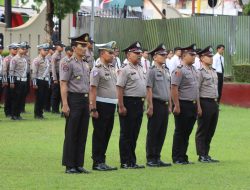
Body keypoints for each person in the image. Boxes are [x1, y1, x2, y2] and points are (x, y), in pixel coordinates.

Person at [60, 33, 90, 174]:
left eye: (85, 45)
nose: (85, 48)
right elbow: (64, 84)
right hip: (73, 99)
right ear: (74, 47)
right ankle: (70, 165)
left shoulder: (85, 64)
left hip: (84, 100)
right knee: (72, 132)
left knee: (82, 133)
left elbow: (87, 85)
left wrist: (89, 102)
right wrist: (65, 104)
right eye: (81, 45)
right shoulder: (68, 63)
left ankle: (79, 164)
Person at [116, 41, 146, 169]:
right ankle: (125, 161)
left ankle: (132, 160)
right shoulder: (125, 69)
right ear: (129, 54)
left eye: (140, 53)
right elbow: (119, 88)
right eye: (136, 53)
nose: (139, 55)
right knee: (126, 134)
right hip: (128, 102)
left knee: (134, 133)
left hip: (139, 103)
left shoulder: (140, 68)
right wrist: (121, 106)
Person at [89, 41, 118, 171]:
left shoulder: (112, 68)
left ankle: (102, 160)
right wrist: (93, 108)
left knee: (107, 133)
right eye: (110, 53)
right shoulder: (97, 69)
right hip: (101, 105)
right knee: (99, 133)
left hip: (111, 105)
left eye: (113, 53)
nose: (112, 55)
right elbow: (93, 89)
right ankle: (97, 162)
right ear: (102, 53)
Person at [171, 44, 200, 164]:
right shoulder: (179, 70)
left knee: (187, 132)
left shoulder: (193, 69)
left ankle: (183, 156)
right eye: (191, 55)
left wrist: (198, 106)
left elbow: (196, 89)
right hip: (183, 104)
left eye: (194, 55)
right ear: (183, 56)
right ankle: (177, 157)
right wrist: (176, 105)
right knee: (180, 131)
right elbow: (174, 88)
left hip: (192, 105)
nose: (194, 57)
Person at [146, 44, 172, 167]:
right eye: (162, 55)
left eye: (165, 54)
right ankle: (151, 158)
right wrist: (150, 105)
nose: (164, 56)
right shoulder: (152, 71)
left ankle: (157, 156)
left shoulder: (166, 70)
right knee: (153, 132)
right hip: (156, 103)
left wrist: (170, 105)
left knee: (162, 132)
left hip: (165, 104)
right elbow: (149, 89)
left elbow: (169, 88)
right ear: (155, 57)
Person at [195, 46, 220, 163]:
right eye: (208, 56)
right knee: (203, 129)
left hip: (214, 102)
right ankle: (201, 155)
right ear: (201, 58)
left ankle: (206, 153)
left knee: (211, 130)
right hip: (204, 102)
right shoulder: (200, 72)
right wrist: (198, 106)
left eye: (211, 56)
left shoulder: (213, 71)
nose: (211, 58)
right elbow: (197, 90)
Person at [9, 43, 29, 120]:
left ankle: (18, 114)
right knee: (16, 98)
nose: (24, 50)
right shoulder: (14, 59)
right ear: (18, 49)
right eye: (22, 48)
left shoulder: (24, 59)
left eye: (24, 49)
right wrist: (11, 82)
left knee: (21, 98)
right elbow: (11, 71)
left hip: (23, 80)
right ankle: (13, 115)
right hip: (17, 80)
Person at [32, 43, 50, 119]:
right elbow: (34, 72)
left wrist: (49, 82)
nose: (46, 51)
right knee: (39, 98)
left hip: (45, 81)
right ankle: (37, 114)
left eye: (47, 50)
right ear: (40, 50)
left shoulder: (47, 60)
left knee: (44, 98)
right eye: (44, 50)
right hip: (39, 80)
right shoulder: (36, 60)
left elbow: (48, 72)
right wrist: (34, 83)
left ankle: (41, 113)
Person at [2, 43, 19, 117]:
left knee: (15, 96)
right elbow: (4, 70)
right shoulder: (7, 59)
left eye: (16, 49)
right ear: (10, 50)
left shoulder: (18, 58)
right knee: (8, 96)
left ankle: (13, 111)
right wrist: (5, 80)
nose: (16, 50)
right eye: (14, 49)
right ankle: (7, 112)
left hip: (16, 79)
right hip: (9, 79)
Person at [51, 41, 65, 114]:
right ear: (57, 46)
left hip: (61, 75)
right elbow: (53, 67)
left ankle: (57, 109)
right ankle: (54, 109)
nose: (62, 48)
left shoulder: (62, 55)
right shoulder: (54, 56)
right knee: (55, 94)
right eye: (61, 46)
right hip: (56, 75)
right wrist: (55, 78)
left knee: (60, 93)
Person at [43, 44, 55, 112]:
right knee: (47, 91)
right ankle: (46, 107)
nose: (53, 51)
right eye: (52, 49)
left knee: (50, 91)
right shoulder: (47, 57)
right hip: (48, 74)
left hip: (51, 74)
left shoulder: (53, 56)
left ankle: (48, 107)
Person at [20, 41, 31, 113]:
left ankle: (22, 108)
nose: (26, 50)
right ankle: (19, 108)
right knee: (20, 93)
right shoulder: (20, 57)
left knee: (25, 92)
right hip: (21, 76)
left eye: (27, 48)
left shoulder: (27, 56)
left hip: (27, 75)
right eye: (25, 48)